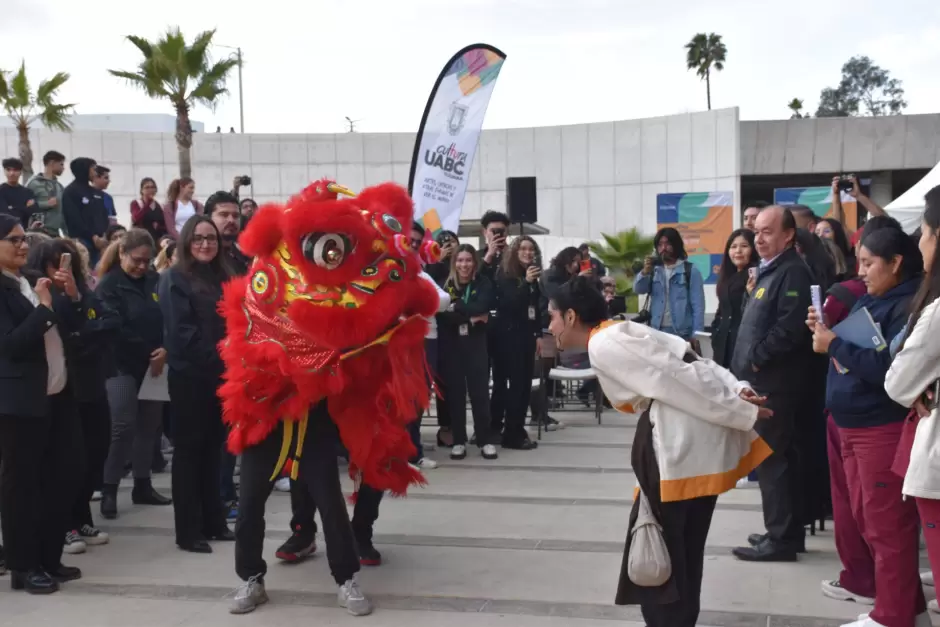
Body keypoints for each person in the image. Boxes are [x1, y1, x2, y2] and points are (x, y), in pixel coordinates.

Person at [547, 276, 772, 627]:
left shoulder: (605, 342)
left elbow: (679, 377)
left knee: (661, 557)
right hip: (685, 447)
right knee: (684, 553)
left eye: (553, 317)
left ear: (572, 316)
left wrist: (739, 406)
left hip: (675, 450)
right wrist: (736, 390)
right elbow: (693, 362)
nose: (551, 326)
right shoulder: (620, 330)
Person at [808, 225, 926, 627]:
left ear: (895, 263)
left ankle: (892, 615)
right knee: (866, 518)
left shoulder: (908, 306)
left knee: (888, 526)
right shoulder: (873, 300)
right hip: (851, 423)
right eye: (859, 262)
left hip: (880, 427)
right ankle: (908, 608)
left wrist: (834, 345)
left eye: (868, 263)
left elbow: (889, 370)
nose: (861, 272)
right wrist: (826, 334)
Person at [0, 214, 84, 593]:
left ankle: (50, 558)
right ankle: (23, 565)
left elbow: (66, 329)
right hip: (21, 402)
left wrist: (68, 297)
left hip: (57, 395)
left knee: (61, 477)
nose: (22, 245)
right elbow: (12, 345)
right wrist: (45, 309)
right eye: (12, 239)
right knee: (23, 487)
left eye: (22, 239)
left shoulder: (28, 283)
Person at [730, 205, 814, 562]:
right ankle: (784, 532)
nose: (758, 238)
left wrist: (757, 356)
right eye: (756, 232)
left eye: (767, 232)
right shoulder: (771, 270)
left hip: (776, 382)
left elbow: (790, 327)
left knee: (772, 460)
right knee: (775, 460)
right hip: (762, 378)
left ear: (788, 234)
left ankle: (780, 539)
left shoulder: (792, 271)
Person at [26, 239, 119, 555]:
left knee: (96, 452)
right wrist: (84, 331)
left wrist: (77, 300)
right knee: (68, 461)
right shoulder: (40, 296)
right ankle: (64, 523)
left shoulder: (79, 292)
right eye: (54, 265)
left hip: (91, 382)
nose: (61, 271)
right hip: (65, 388)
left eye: (65, 264)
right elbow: (64, 333)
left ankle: (81, 516)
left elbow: (106, 321)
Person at [159, 216, 234, 553]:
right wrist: (221, 359)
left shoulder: (224, 276)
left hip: (222, 378)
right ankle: (188, 531)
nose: (206, 244)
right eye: (199, 238)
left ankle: (214, 521)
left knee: (214, 451)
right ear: (187, 241)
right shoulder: (174, 277)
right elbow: (181, 332)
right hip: (190, 377)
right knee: (189, 453)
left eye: (212, 238)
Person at [885, 185, 940, 618]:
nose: (920, 241)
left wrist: (925, 387)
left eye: (923, 231)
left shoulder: (936, 310)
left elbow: (898, 380)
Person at [96, 229, 172, 519]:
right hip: (121, 365)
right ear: (122, 254)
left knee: (149, 427)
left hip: (156, 364)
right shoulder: (109, 285)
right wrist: (147, 353)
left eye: (147, 260)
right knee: (123, 427)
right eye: (136, 260)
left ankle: (143, 483)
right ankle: (110, 487)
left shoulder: (156, 281)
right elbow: (116, 328)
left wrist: (165, 350)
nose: (142, 266)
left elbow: (168, 318)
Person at [438, 244, 498, 460]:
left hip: (476, 343)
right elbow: (442, 314)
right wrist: (470, 316)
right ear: (455, 263)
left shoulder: (482, 283)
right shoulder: (446, 285)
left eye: (468, 260)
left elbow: (484, 305)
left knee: (479, 393)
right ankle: (459, 441)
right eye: (460, 261)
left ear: (475, 262)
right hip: (452, 344)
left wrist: (458, 308)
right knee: (455, 395)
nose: (464, 265)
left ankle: (484, 440)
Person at [490, 236, 542, 450]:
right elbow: (509, 303)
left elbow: (535, 306)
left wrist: (538, 333)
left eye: (531, 249)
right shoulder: (506, 274)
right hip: (508, 337)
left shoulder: (530, 274)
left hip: (526, 336)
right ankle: (510, 432)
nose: (528, 253)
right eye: (523, 249)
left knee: (524, 386)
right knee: (515, 385)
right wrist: (527, 283)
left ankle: (517, 429)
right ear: (515, 251)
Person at [634, 227, 705, 341]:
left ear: (676, 245)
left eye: (667, 244)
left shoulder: (690, 270)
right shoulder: (654, 270)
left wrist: (697, 336)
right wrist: (644, 272)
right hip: (656, 331)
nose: (663, 248)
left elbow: (698, 306)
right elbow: (638, 289)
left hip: (682, 333)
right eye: (660, 245)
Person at [711, 229, 757, 369]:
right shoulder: (726, 277)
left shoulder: (755, 277)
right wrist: (715, 331)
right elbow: (722, 309)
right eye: (733, 246)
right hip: (723, 344)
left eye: (744, 246)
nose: (738, 251)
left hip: (743, 343)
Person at [62, 157, 109, 267]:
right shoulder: (70, 191)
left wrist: (103, 236)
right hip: (82, 242)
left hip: (100, 242)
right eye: (92, 168)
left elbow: (103, 215)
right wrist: (92, 236)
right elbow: (74, 218)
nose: (95, 172)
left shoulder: (96, 192)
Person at [205, 191, 249, 276]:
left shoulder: (245, 256)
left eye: (236, 216)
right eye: (224, 215)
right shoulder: (202, 256)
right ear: (208, 218)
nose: (231, 220)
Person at [26, 151, 67, 237]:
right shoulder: (33, 183)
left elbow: (63, 212)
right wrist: (46, 204)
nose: (63, 168)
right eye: (61, 164)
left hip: (55, 233)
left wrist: (66, 234)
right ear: (52, 163)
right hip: (38, 232)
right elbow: (25, 205)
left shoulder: (59, 187)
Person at [0, 158, 37, 229]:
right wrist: (25, 208)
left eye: (15, 170)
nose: (12, 173)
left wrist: (13, 208)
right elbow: (5, 215)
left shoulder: (28, 192)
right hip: (5, 233)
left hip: (25, 232)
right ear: (4, 171)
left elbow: (34, 212)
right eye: (8, 170)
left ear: (21, 172)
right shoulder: (1, 191)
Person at [130, 177, 167, 243]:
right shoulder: (136, 203)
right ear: (142, 190)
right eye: (147, 187)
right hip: (141, 239)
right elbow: (136, 218)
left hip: (157, 239)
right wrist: (147, 204)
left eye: (153, 187)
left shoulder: (159, 206)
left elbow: (163, 224)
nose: (150, 189)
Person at [479, 210, 510, 279]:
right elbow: (475, 279)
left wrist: (509, 254)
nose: (498, 234)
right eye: (493, 231)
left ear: (506, 232)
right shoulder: (476, 256)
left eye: (501, 231)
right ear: (485, 232)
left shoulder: (516, 254)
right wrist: (489, 255)